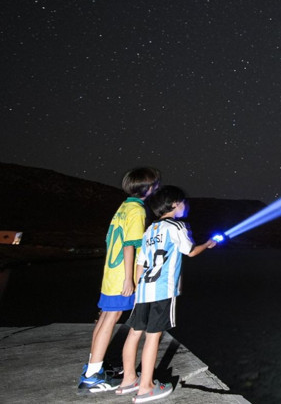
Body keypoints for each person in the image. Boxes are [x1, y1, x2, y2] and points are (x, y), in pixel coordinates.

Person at [117, 185, 216, 402]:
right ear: (174, 205)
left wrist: (138, 286)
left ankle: (128, 381)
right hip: (162, 290)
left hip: (144, 291)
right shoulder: (177, 226)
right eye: (184, 202)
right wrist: (207, 244)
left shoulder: (149, 230)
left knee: (134, 332)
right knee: (153, 336)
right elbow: (189, 252)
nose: (186, 206)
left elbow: (140, 264)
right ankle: (146, 387)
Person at [78, 167, 161, 394]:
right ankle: (92, 376)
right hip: (120, 274)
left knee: (105, 316)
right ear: (150, 188)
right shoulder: (137, 211)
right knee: (111, 318)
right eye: (156, 184)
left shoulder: (123, 207)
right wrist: (129, 280)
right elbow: (129, 246)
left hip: (110, 271)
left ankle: (93, 367)